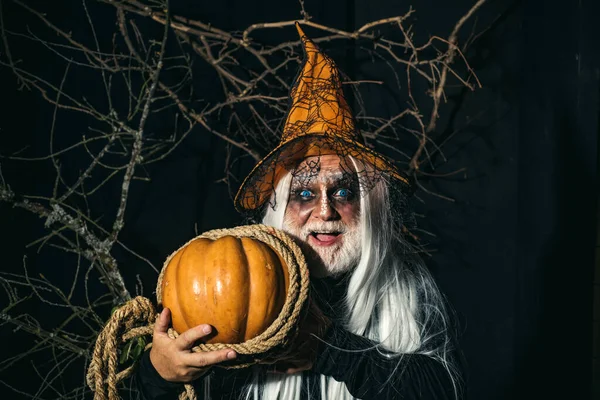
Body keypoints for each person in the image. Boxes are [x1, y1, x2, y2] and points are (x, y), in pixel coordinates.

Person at [136, 23, 463, 400]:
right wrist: (156, 375)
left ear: (369, 205)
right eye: (304, 193)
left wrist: (327, 348)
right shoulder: (228, 286)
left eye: (343, 191)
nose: (325, 211)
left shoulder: (409, 291)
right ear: (279, 208)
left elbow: (443, 391)